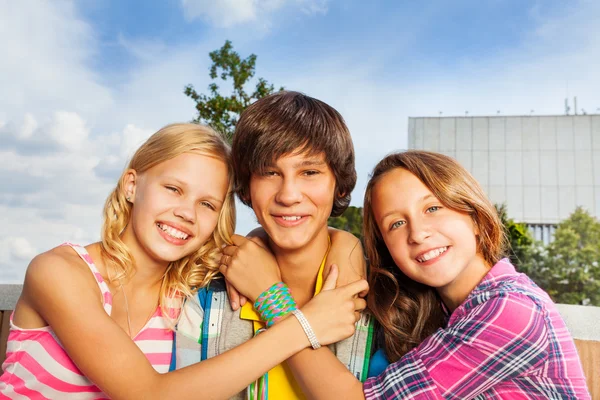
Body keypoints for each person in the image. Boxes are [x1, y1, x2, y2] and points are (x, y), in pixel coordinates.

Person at [0, 123, 367, 400]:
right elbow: (146, 394)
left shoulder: (189, 289)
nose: (186, 213)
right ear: (132, 185)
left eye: (207, 204)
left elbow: (267, 246)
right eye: (173, 189)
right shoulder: (59, 271)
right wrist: (302, 323)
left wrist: (347, 244)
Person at [255, 150, 592, 399]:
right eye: (396, 224)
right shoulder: (443, 311)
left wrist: (272, 296)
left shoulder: (511, 309)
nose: (417, 234)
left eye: (432, 208)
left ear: (474, 216)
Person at [174, 91, 375, 399]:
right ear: (247, 187)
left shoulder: (384, 301)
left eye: (309, 172)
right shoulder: (205, 296)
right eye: (269, 173)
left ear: (339, 183)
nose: (288, 194)